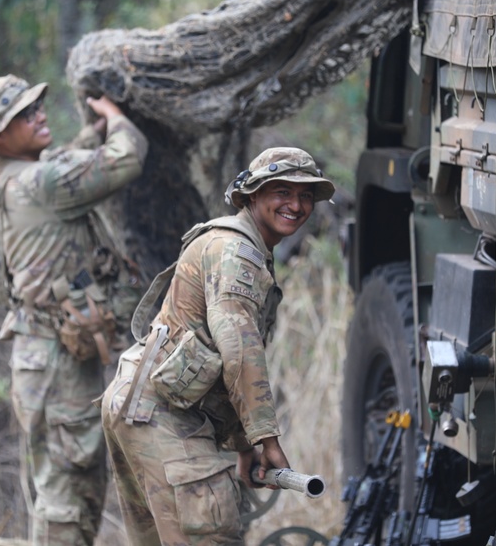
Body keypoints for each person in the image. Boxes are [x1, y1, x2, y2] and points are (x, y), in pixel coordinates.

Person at [100, 146, 335, 545]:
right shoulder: (237, 254)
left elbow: (222, 361)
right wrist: (267, 440)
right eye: (282, 192)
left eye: (306, 195)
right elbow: (238, 348)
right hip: (162, 414)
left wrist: (242, 445)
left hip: (140, 405)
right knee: (210, 534)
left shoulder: (245, 246)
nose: (296, 204)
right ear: (252, 195)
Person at [0, 74, 149, 546]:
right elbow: (126, 158)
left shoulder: (8, 179)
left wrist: (91, 130)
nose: (39, 115)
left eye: (38, 107)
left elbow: (67, 159)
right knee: (67, 491)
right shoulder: (42, 182)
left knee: (74, 483)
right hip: (55, 362)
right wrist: (117, 119)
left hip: (46, 356)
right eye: (24, 115)